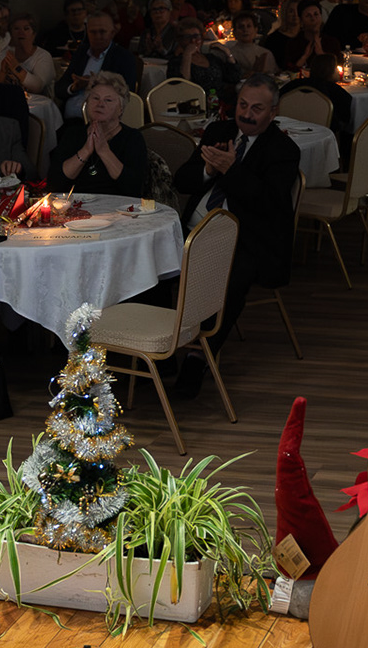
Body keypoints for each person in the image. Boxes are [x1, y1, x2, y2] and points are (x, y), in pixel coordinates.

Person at [169, 76, 303, 398]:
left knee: (233, 275)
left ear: (273, 112)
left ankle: (199, 356)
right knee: (151, 261)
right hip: (194, 228)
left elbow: (268, 204)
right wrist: (208, 170)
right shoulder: (219, 131)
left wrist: (232, 170)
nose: (246, 114)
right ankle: (153, 352)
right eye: (243, 105)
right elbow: (182, 181)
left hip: (245, 237)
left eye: (257, 108)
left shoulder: (283, 150)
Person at [47, 71, 148, 197]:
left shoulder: (132, 139)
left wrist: (104, 151)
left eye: (108, 100)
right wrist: (85, 151)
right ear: (87, 103)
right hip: (76, 206)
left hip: (118, 208)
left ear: (121, 109)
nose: (100, 104)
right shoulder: (72, 134)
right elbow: (53, 184)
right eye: (95, 98)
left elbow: (133, 188)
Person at [57, 12, 140, 120]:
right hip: (70, 118)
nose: (97, 36)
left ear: (112, 33)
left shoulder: (123, 57)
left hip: (102, 119)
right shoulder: (81, 53)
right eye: (93, 32)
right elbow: (59, 88)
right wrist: (74, 87)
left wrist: (93, 83)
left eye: (102, 32)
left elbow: (127, 94)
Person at [167, 20, 238, 95]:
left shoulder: (211, 58)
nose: (193, 40)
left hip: (220, 98)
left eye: (196, 36)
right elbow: (181, 87)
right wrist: (187, 55)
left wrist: (227, 53)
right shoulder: (176, 62)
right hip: (196, 100)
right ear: (181, 41)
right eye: (187, 37)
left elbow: (234, 78)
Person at [0, 14, 55, 96]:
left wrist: (16, 68)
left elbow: (38, 87)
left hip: (38, 102)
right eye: (16, 29)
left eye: (26, 29)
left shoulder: (43, 56)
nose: (21, 32)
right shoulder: (5, 54)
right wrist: (2, 71)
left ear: (34, 34)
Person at [213, 10, 276, 76]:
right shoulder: (229, 55)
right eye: (241, 27)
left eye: (249, 26)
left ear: (255, 30)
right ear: (234, 32)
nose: (245, 30)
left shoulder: (265, 53)